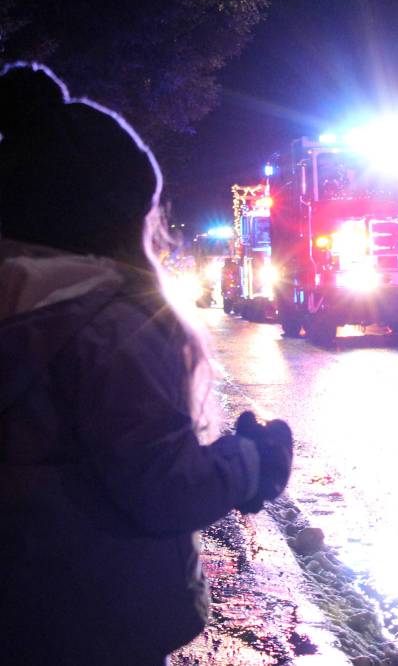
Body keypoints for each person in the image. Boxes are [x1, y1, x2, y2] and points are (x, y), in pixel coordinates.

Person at [0, 63, 293, 664]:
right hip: (93, 622)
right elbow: (164, 488)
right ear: (115, 217)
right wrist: (251, 462)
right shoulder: (113, 322)